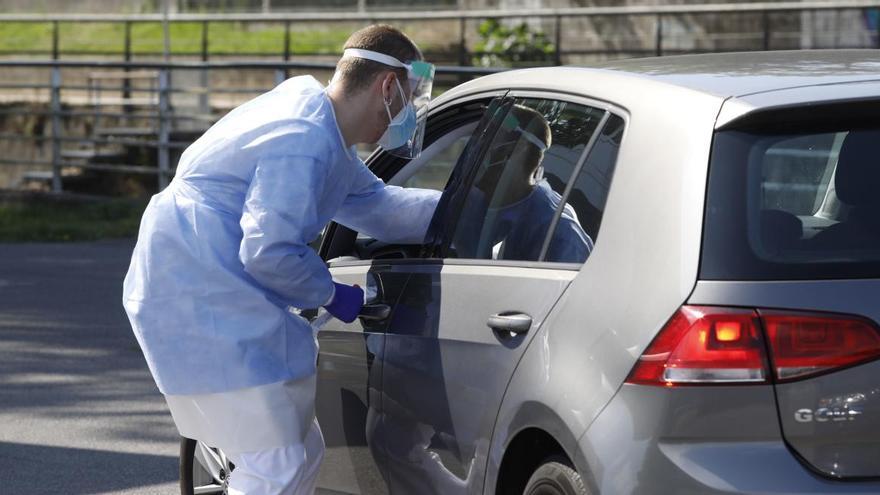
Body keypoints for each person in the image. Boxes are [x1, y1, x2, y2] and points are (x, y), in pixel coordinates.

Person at [122, 25, 440, 494]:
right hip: (200, 293)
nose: (408, 115)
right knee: (277, 463)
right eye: (408, 99)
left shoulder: (321, 132)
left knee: (300, 451)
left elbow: (382, 208)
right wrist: (332, 293)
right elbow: (268, 250)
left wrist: (467, 206)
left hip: (206, 288)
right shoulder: (305, 138)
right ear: (387, 87)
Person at [454, 104, 593, 263]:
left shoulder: (559, 233)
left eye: (490, 139)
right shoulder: (473, 203)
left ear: (518, 149)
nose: (478, 148)